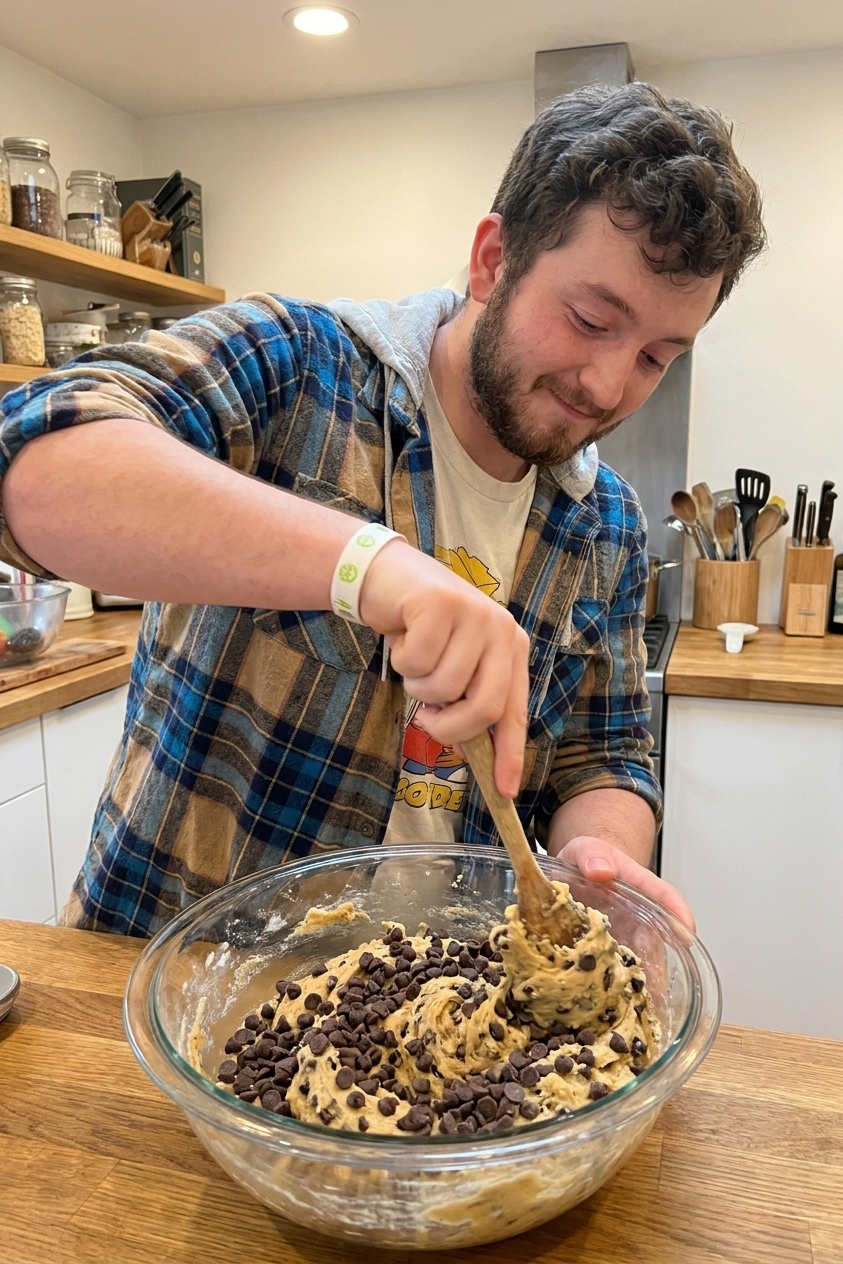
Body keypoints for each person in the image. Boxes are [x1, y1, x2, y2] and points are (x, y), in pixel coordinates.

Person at [0, 83, 765, 939]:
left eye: (657, 357)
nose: (608, 386)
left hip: (438, 1026)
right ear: (492, 259)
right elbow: (31, 461)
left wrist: (601, 856)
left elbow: (605, 753)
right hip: (173, 984)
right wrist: (371, 566)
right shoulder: (298, 366)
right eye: (589, 319)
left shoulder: (609, 527)